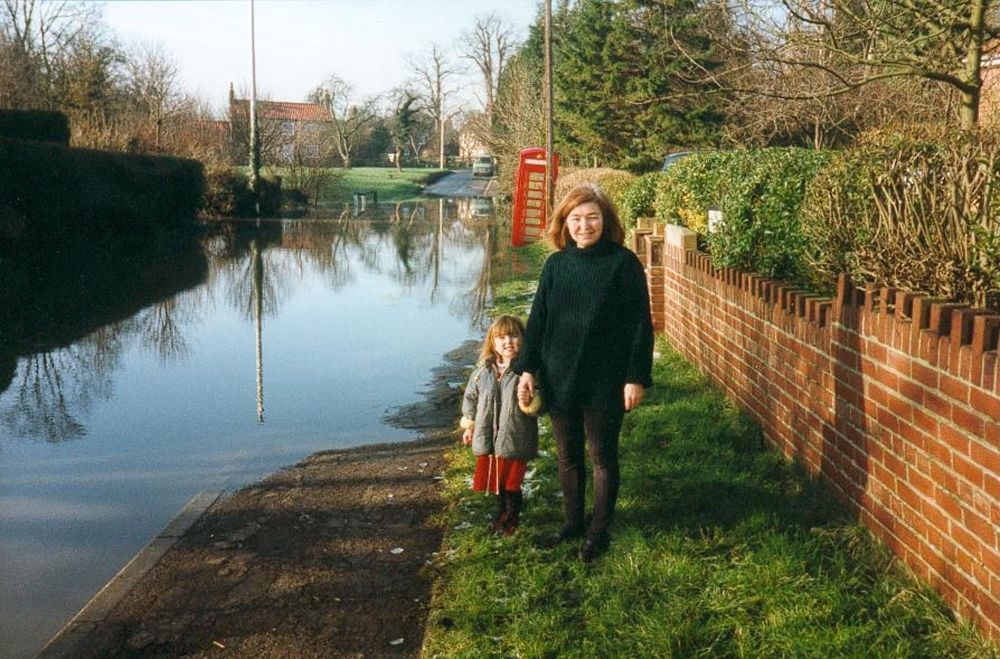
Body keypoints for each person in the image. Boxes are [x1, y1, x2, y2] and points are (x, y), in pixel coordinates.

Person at [513, 184, 653, 562]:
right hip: (560, 376)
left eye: (592, 217)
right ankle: (573, 523)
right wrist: (526, 369)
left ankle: (599, 531)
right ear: (565, 223)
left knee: (601, 455)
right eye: (576, 218)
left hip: (606, 378)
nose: (584, 225)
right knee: (566, 456)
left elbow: (641, 324)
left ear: (605, 221)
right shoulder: (556, 265)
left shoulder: (623, 264)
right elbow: (538, 319)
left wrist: (635, 376)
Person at [460, 315, 540, 535]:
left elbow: (539, 402)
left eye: (514, 336)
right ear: (492, 342)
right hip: (489, 439)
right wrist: (470, 425)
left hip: (515, 437)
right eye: (501, 337)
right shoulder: (482, 373)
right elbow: (471, 399)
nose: (508, 342)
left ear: (523, 339)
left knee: (511, 482)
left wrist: (530, 400)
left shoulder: (527, 372)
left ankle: (512, 517)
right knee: (497, 481)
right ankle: (500, 513)